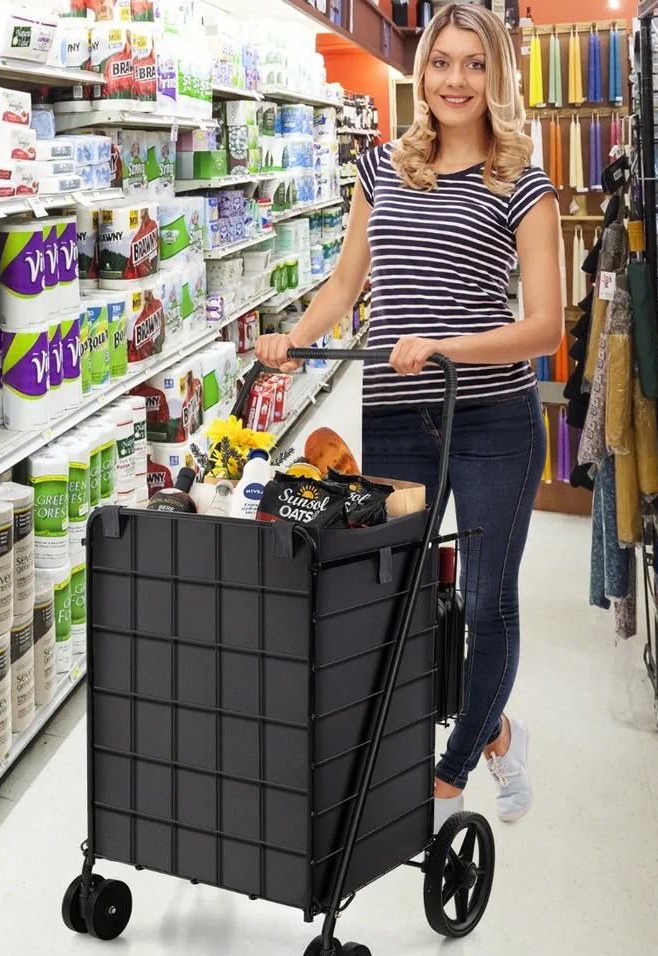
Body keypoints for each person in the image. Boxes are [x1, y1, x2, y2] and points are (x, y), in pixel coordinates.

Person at [256, 3, 562, 826]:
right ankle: (492, 726)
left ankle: (455, 766)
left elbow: (545, 326)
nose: (454, 80)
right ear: (420, 72)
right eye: (440, 62)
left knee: (491, 593)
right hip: (395, 414)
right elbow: (345, 283)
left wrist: (444, 345)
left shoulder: (523, 183)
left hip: (493, 419)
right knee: (398, 592)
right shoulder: (380, 168)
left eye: (473, 64)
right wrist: (296, 335)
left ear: (496, 76)